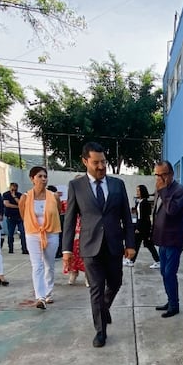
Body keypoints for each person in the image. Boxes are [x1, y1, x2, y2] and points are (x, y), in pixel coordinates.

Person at [62, 142, 135, 347]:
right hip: (90, 246)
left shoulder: (117, 185)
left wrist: (130, 244)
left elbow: (126, 218)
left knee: (115, 283)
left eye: (103, 162)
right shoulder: (76, 186)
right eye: (96, 162)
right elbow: (69, 219)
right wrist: (67, 249)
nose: (101, 166)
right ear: (85, 161)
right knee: (96, 288)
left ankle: (103, 309)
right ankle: (100, 331)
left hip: (113, 245)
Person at [18, 166, 62, 308]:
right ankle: (40, 297)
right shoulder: (25, 197)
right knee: (37, 265)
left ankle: (48, 293)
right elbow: (23, 214)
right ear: (32, 179)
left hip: (51, 233)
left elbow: (58, 212)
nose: (43, 179)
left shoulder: (54, 197)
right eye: (39, 176)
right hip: (33, 234)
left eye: (45, 176)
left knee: (49, 265)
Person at [152, 160, 183, 318]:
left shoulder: (178, 190)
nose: (159, 178)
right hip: (163, 240)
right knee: (163, 272)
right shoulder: (160, 190)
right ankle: (170, 300)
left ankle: (174, 305)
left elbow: (172, 210)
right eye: (156, 174)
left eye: (163, 174)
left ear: (171, 174)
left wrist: (164, 191)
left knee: (169, 273)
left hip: (173, 240)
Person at [127, 184, 160, 268]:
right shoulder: (140, 202)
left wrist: (138, 228)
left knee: (140, 244)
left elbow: (143, 217)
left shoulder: (145, 203)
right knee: (146, 244)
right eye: (137, 190)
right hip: (141, 226)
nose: (137, 192)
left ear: (142, 191)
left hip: (143, 227)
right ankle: (157, 260)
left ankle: (131, 260)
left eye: (139, 191)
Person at [3, 182, 27, 254]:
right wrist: (18, 207)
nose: (14, 189)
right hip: (10, 216)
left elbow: (21, 203)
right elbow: (7, 204)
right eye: (12, 188)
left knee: (23, 233)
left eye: (15, 188)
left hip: (19, 217)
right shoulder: (6, 194)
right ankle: (11, 248)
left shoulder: (19, 195)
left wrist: (14, 196)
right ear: (10, 187)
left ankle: (24, 249)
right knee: (10, 234)